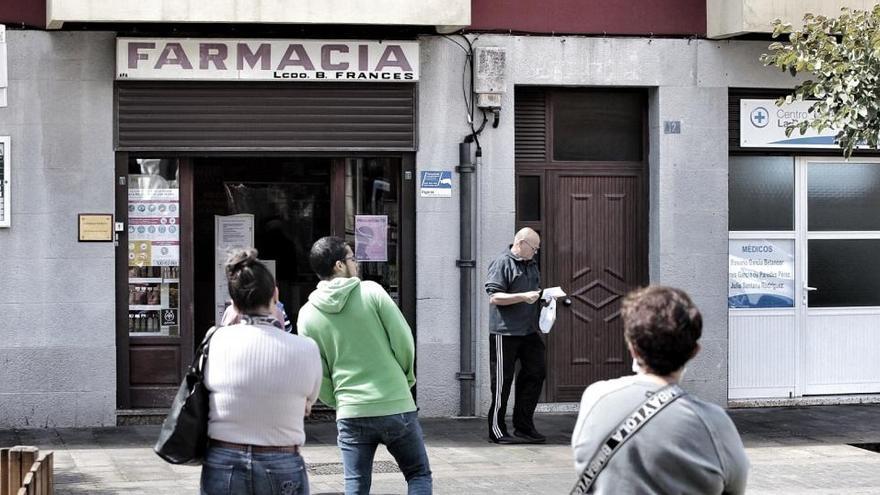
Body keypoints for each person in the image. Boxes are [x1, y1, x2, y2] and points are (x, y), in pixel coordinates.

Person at [571, 286, 749, 494]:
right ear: (694, 352)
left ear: (632, 347)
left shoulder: (596, 397)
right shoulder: (714, 422)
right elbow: (735, 487)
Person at [297, 236, 432, 495]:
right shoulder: (371, 292)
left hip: (351, 410)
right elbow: (403, 341)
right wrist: (406, 378)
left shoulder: (307, 314)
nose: (356, 264)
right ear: (338, 265)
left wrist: (337, 400)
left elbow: (316, 370)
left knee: (356, 484)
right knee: (418, 474)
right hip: (395, 402)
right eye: (351, 258)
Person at [201, 248, 322, 495]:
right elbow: (307, 406)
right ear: (275, 295)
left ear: (233, 303)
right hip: (281, 459)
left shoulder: (215, 341)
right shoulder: (306, 348)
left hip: (224, 459)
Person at [485, 227, 546, 444]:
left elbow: (532, 293)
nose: (536, 252)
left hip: (529, 331)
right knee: (502, 382)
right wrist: (522, 296)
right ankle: (497, 430)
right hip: (505, 332)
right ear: (521, 243)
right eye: (534, 248)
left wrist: (544, 298)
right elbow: (494, 297)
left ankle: (524, 426)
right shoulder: (502, 262)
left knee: (536, 372)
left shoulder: (530, 264)